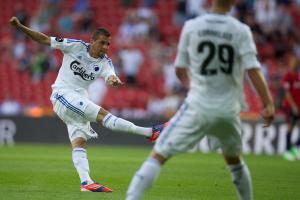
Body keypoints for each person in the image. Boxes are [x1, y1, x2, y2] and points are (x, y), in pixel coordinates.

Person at [126, 0, 275, 200]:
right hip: (228, 109)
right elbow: (253, 70)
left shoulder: (192, 26)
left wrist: (192, 85)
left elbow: (180, 69)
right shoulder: (241, 30)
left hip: (198, 105)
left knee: (158, 155)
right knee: (234, 161)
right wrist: (268, 103)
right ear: (233, 2)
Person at [9, 16, 165, 193]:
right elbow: (44, 39)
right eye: (102, 43)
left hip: (78, 99)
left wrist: (113, 80)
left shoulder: (105, 62)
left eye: (108, 44)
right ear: (92, 41)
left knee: (80, 142)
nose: (105, 47)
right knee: (103, 115)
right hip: (62, 95)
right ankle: (149, 132)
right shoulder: (75, 46)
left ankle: (86, 183)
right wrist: (20, 26)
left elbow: (111, 75)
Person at [282, 57, 300, 161]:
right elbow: (287, 93)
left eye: (296, 62)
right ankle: (287, 151)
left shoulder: (298, 76)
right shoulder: (287, 76)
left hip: (299, 106)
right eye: (293, 62)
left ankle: (295, 148)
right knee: (290, 128)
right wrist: (293, 106)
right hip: (291, 107)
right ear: (290, 63)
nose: (295, 64)